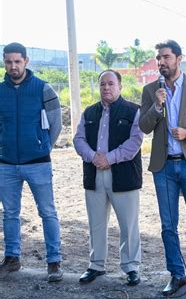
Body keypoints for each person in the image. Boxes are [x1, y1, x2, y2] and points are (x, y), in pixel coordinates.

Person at [139, 40, 186, 297]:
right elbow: (144, 126)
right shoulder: (151, 90)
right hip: (164, 167)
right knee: (167, 226)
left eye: (165, 57)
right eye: (158, 58)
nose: (161, 62)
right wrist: (156, 106)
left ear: (179, 59)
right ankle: (177, 275)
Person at [73, 69, 143, 286]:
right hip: (95, 175)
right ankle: (96, 265)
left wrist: (109, 159)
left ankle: (131, 267)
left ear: (119, 86)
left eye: (111, 84)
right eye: (103, 84)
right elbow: (78, 139)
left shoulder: (133, 111)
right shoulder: (89, 112)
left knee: (128, 225)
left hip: (123, 177)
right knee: (96, 223)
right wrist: (94, 157)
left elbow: (134, 143)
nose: (106, 88)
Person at [0, 42, 63, 282]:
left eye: (17, 61)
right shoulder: (0, 90)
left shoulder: (43, 89)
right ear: (4, 63)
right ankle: (12, 259)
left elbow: (56, 123)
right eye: (8, 62)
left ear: (26, 61)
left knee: (47, 212)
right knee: (10, 214)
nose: (13, 66)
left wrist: (44, 146)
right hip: (5, 164)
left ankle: (54, 262)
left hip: (38, 163)